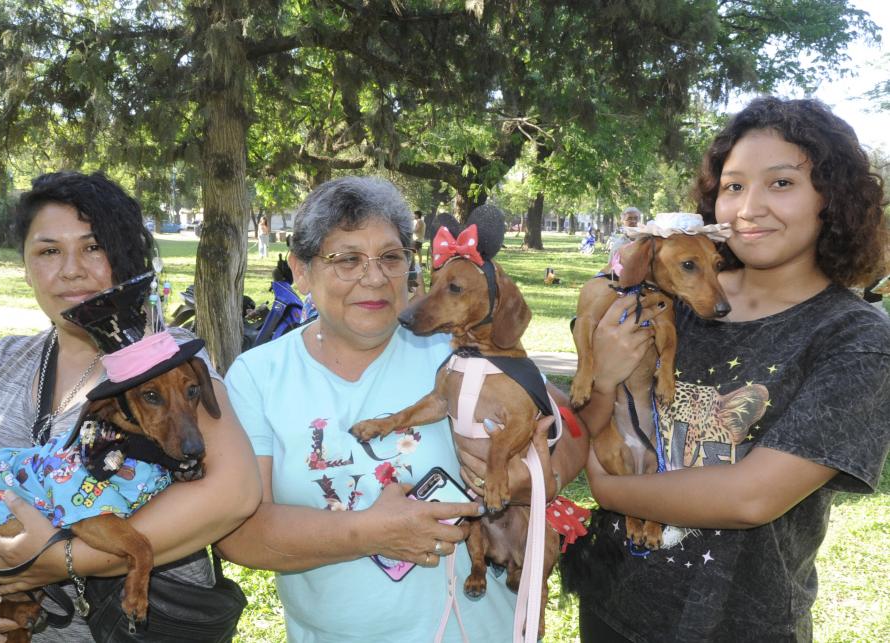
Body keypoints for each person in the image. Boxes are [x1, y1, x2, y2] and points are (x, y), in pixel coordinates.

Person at [570, 97, 890, 640]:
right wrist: (600, 380)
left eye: (782, 183)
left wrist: (605, 488)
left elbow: (751, 497)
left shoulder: (853, 339)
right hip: (611, 607)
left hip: (738, 624)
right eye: (733, 186)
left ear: (830, 200)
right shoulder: (669, 298)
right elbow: (591, 412)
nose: (748, 208)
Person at [217, 176, 587, 641]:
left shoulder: (459, 345)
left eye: (391, 258)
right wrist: (370, 532)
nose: (374, 277)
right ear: (302, 271)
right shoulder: (258, 376)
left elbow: (570, 426)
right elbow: (239, 534)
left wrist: (539, 479)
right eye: (347, 259)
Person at [0, 171, 261, 642]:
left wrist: (56, 559)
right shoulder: (1, 363)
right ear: (24, 264)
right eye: (48, 251)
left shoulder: (169, 361)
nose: (72, 269)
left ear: (124, 256)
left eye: (93, 247)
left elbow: (234, 494)